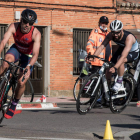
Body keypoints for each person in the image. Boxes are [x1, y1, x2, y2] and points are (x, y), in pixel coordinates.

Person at [0, 9, 41, 119]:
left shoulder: (36, 34)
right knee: (5, 63)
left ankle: (13, 104)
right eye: (25, 21)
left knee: (21, 81)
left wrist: (29, 66)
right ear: (21, 19)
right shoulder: (14, 26)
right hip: (16, 50)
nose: (27, 25)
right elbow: (4, 41)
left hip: (28, 56)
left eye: (30, 23)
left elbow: (36, 53)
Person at [92, 19, 139, 92]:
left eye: (117, 32)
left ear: (122, 30)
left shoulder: (129, 38)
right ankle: (106, 91)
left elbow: (123, 56)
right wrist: (93, 56)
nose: (115, 35)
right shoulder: (110, 35)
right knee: (108, 67)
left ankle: (119, 81)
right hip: (122, 48)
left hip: (133, 52)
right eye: (113, 32)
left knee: (121, 60)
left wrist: (115, 67)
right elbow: (102, 46)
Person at [86, 16, 112, 107]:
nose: (104, 25)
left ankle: (105, 100)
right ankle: (93, 101)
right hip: (97, 61)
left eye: (106, 23)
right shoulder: (95, 32)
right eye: (102, 23)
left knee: (105, 82)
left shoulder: (108, 34)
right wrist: (91, 54)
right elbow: (90, 44)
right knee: (95, 82)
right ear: (99, 23)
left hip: (106, 62)